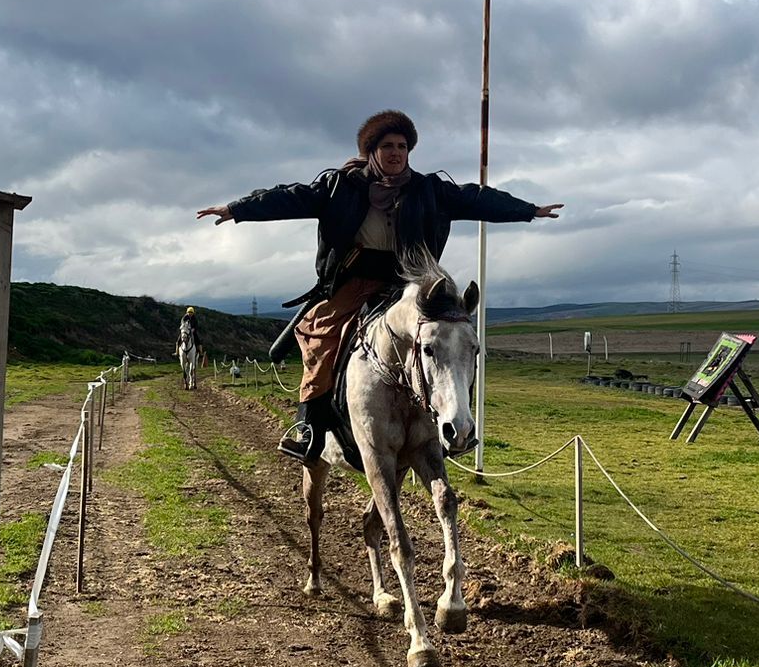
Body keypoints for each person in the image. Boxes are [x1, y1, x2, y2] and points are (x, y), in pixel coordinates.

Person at [198, 109, 563, 460]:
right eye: (388, 146)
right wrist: (237, 209)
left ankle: (445, 428)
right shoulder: (341, 185)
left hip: (410, 283)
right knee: (322, 338)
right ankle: (308, 427)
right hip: (353, 281)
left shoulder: (428, 189)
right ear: (371, 151)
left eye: (402, 147)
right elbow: (291, 197)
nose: (396, 153)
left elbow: (476, 198)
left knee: (444, 343)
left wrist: (527, 210)